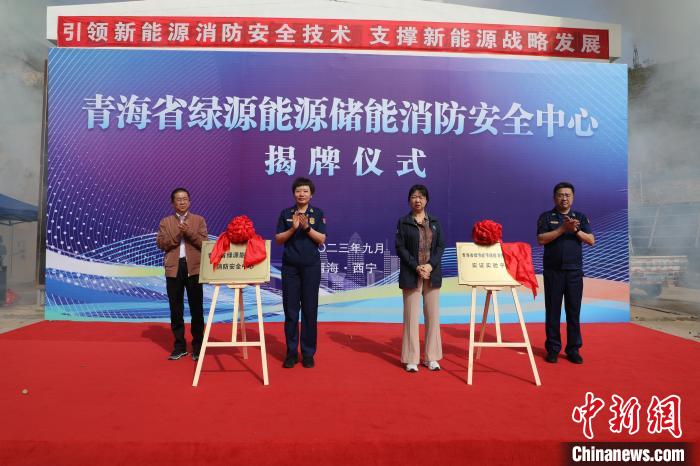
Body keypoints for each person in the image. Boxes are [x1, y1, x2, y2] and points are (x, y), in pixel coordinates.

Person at [537, 182, 595, 364]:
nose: (564, 198)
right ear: (554, 197)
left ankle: (573, 349)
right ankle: (553, 349)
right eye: (561, 195)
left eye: (567, 195)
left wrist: (575, 230)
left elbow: (591, 240)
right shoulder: (547, 217)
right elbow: (541, 239)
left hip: (574, 273)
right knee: (552, 312)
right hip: (553, 272)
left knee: (573, 312)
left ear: (573, 198)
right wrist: (562, 229)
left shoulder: (580, 217)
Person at [276, 177, 326, 369]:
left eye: (305, 191)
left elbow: (321, 239)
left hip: (311, 268)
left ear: (311, 194)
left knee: (309, 310)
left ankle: (307, 353)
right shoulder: (286, 213)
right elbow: (279, 239)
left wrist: (306, 228)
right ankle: (291, 353)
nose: (301, 194)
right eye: (298, 191)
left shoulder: (317, 213)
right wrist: (293, 228)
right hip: (290, 268)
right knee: (290, 311)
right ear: (294, 194)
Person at [395, 184, 445, 372]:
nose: (418, 200)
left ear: (426, 200)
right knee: (411, 317)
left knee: (433, 316)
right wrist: (416, 267)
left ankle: (431, 357)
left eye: (421, 197)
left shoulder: (435, 222)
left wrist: (430, 265)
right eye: (414, 197)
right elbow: (400, 248)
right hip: (411, 274)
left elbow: (440, 247)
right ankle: (411, 358)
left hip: (432, 274)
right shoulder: (403, 222)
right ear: (409, 200)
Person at [156, 188, 208, 361]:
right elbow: (161, 244)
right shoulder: (166, 222)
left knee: (196, 308)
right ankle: (179, 346)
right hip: (174, 268)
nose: (182, 202)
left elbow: (205, 244)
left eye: (185, 199)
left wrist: (189, 232)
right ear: (173, 203)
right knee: (176, 308)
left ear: (189, 201)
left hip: (194, 268)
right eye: (178, 199)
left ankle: (198, 346)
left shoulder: (199, 220)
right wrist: (179, 234)